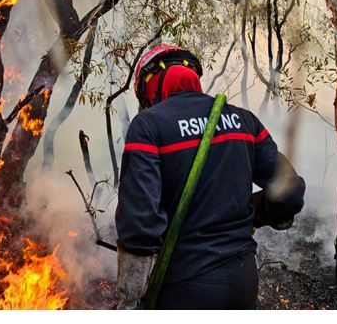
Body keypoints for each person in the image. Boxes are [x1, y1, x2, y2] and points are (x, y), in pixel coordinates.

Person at [115, 44, 306, 309]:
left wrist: (129, 301)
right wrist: (253, 213)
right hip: (243, 282)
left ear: (151, 85)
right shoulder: (245, 121)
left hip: (184, 288)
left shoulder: (148, 126)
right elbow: (291, 191)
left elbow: (139, 224)